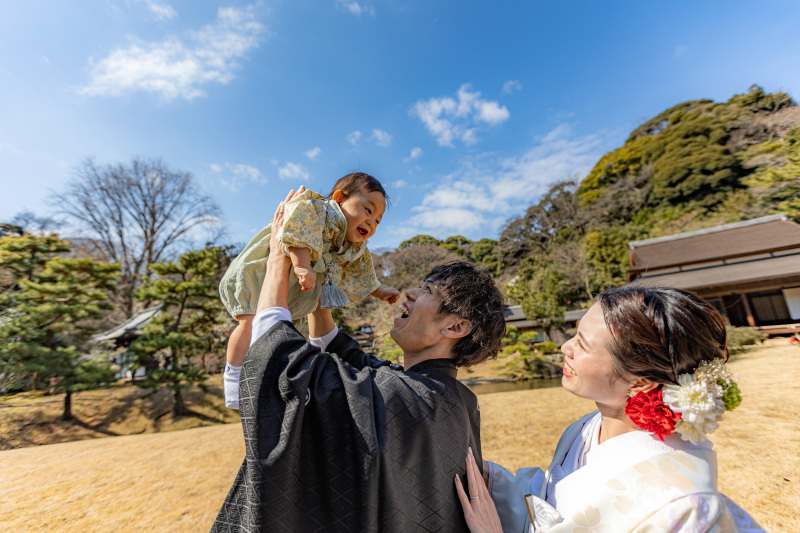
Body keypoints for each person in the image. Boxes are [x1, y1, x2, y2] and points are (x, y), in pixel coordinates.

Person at [211, 190, 507, 532]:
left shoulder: (399, 396)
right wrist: (319, 285)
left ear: (456, 326)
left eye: (427, 291)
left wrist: (278, 259)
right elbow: (349, 357)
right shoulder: (457, 401)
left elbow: (282, 364)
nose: (410, 292)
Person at [455, 286, 765, 532]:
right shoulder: (588, 427)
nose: (565, 348)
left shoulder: (684, 506)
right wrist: (481, 473)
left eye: (583, 344)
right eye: (574, 334)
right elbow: (550, 499)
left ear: (640, 381)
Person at [219, 173, 400, 408]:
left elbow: (362, 273)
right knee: (249, 322)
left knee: (284, 336)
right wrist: (302, 264)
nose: (371, 222)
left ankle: (278, 384)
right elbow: (298, 231)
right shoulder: (318, 210)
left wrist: (381, 291)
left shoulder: (353, 247)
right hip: (263, 274)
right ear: (339, 198)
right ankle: (233, 379)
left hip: (296, 290)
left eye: (377, 220)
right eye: (368, 210)